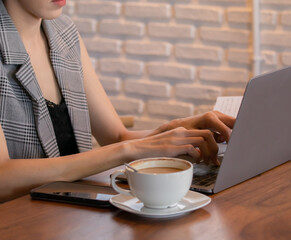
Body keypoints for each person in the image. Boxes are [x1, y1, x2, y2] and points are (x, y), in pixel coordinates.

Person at [0, 0, 235, 202]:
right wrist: (127, 151)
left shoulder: (64, 34)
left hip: (70, 217)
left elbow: (116, 137)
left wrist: (176, 130)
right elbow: (3, 177)